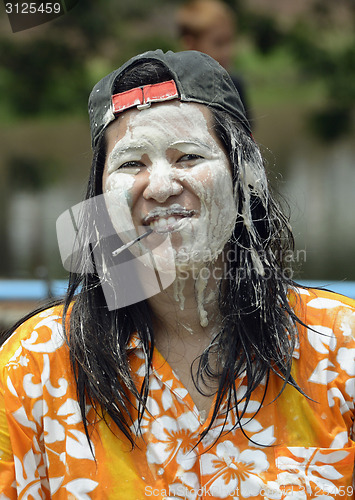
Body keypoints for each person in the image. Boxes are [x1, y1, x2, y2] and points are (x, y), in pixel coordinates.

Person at [0, 49, 355, 499]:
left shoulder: (341, 348)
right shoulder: (34, 366)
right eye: (132, 164)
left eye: (188, 156)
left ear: (243, 176)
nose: (162, 186)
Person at [176, 0, 251, 122]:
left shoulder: (234, 86)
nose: (228, 51)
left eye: (230, 41)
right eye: (219, 43)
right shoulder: (176, 90)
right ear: (190, 45)